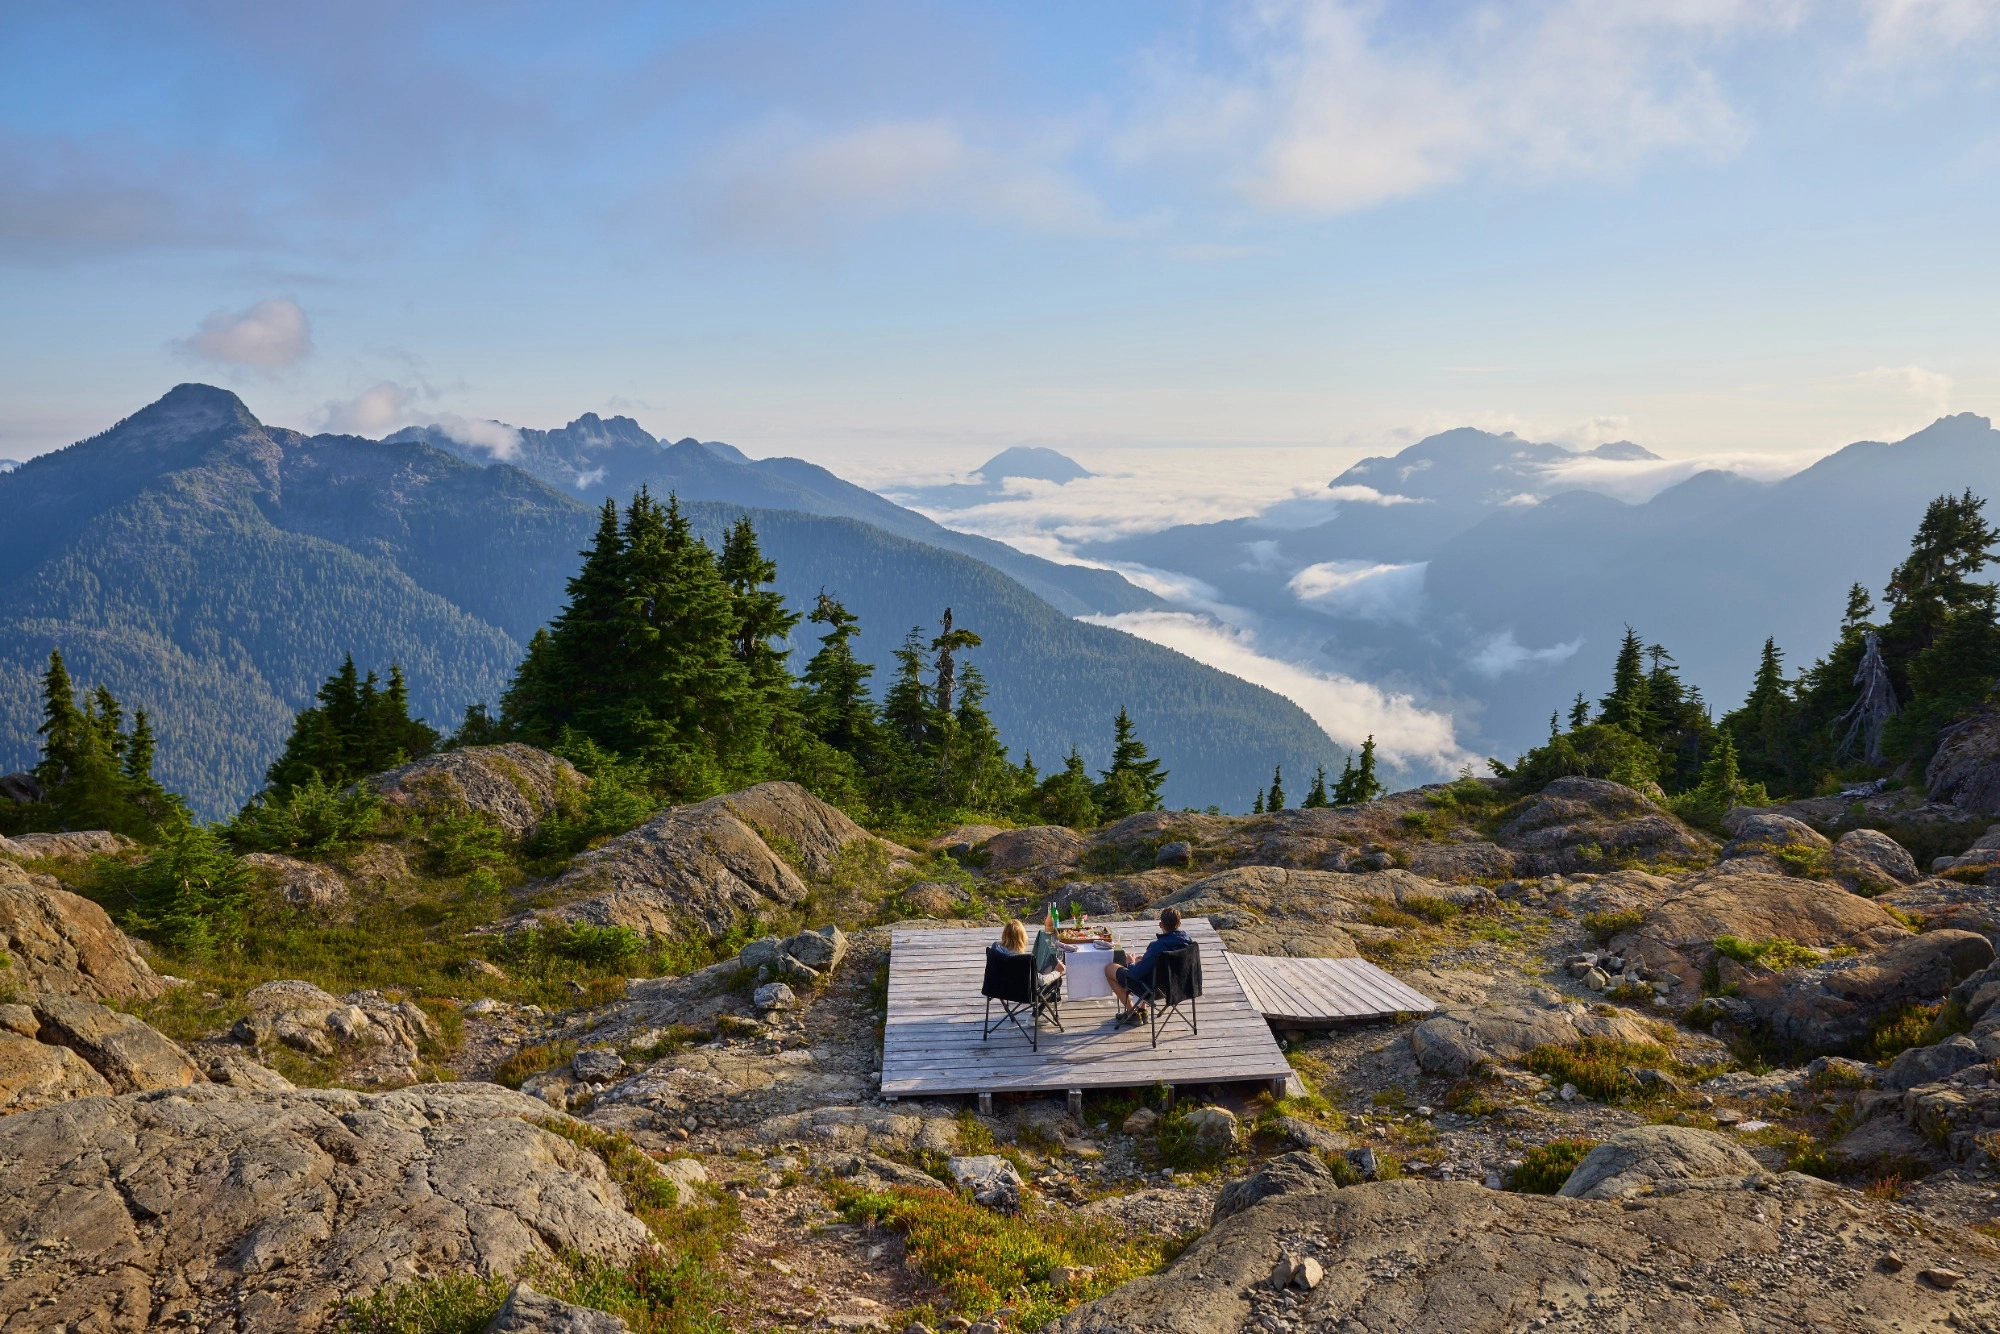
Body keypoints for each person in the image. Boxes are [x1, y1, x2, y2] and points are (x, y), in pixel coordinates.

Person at [1105, 907, 1189, 1026]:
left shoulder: (1157, 947)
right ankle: (1142, 1011)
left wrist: (1130, 963)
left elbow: (1135, 974)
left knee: (1109, 968)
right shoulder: (1188, 943)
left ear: (1161, 924)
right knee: (1142, 962)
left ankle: (1132, 1013)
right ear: (1179, 924)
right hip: (1176, 987)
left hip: (1152, 991)